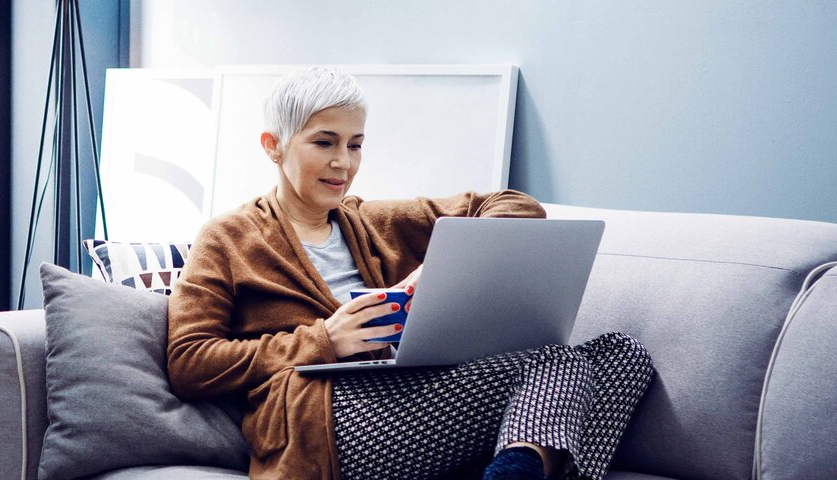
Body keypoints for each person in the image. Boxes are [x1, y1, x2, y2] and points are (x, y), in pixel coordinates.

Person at [166, 67, 654, 480]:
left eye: (356, 145)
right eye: (324, 142)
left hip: (412, 389)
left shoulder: (373, 221)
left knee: (623, 355)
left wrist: (437, 267)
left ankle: (515, 465)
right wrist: (323, 340)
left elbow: (513, 203)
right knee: (555, 363)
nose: (343, 163)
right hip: (324, 419)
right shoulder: (227, 238)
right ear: (273, 146)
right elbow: (189, 362)